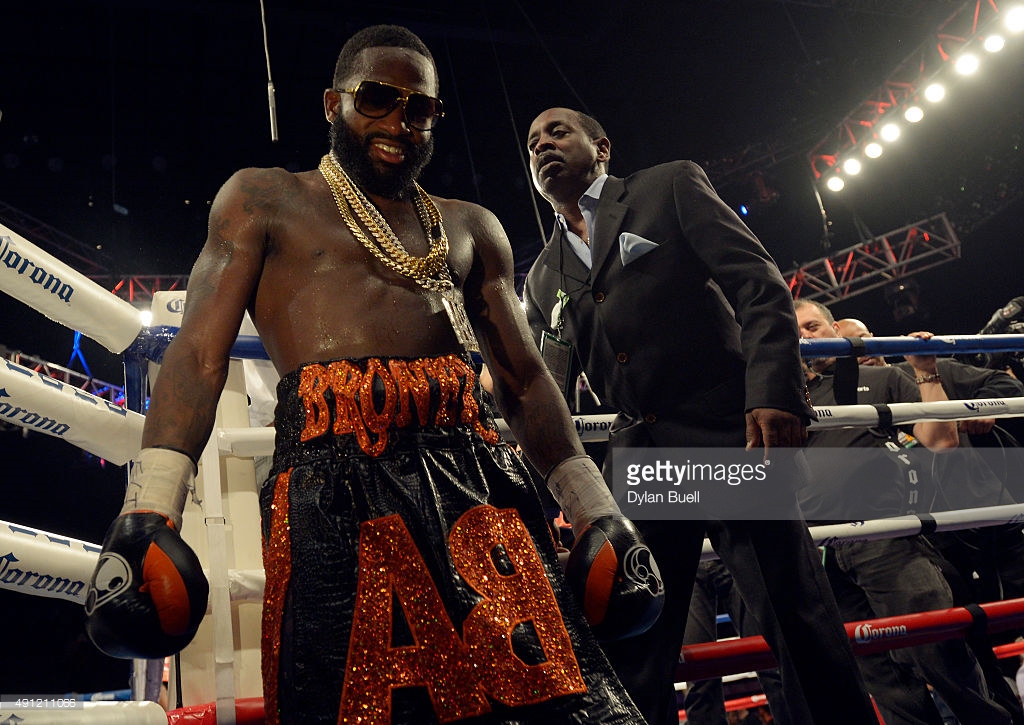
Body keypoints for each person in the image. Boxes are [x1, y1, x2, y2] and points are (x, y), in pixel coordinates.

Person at [83, 26, 662, 724]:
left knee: (556, 698)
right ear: (334, 103)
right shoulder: (263, 199)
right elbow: (200, 355)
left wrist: (595, 506)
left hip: (478, 484)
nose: (399, 122)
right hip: (336, 489)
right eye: (378, 99)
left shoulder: (471, 226)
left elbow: (525, 378)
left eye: (420, 108)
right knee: (354, 705)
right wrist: (151, 506)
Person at [522, 107, 877, 725]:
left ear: (601, 147)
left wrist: (773, 392)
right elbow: (547, 387)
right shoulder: (542, 274)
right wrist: (557, 493)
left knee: (794, 614)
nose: (543, 146)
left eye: (558, 132)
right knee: (635, 639)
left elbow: (758, 284)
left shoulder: (666, 187)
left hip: (727, 433)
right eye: (532, 144)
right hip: (640, 456)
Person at [795, 298, 1012, 725]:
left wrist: (926, 369)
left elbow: (941, 440)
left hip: (885, 537)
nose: (803, 337)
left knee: (941, 655)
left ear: (834, 329)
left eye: (812, 326)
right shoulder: (777, 400)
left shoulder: (879, 377)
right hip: (818, 551)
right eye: (794, 330)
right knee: (883, 680)